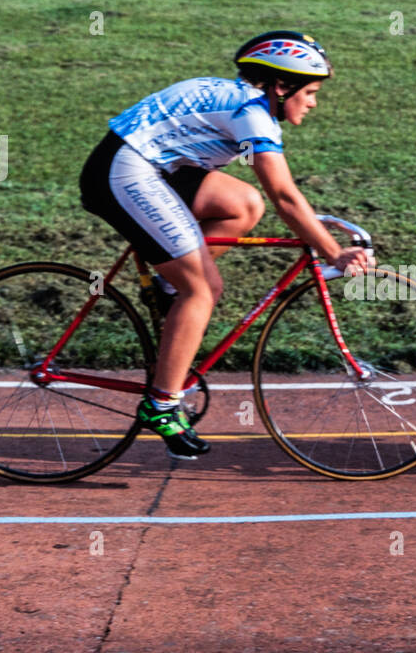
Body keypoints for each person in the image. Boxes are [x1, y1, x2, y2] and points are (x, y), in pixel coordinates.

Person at [80, 31, 372, 459]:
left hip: (154, 167)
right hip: (125, 173)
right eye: (309, 92)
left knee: (244, 205)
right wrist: (333, 252)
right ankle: (161, 405)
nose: (313, 103)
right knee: (204, 288)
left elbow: (275, 197)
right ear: (281, 85)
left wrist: (316, 226)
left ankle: (168, 287)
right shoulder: (250, 113)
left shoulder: (246, 103)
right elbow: (285, 196)